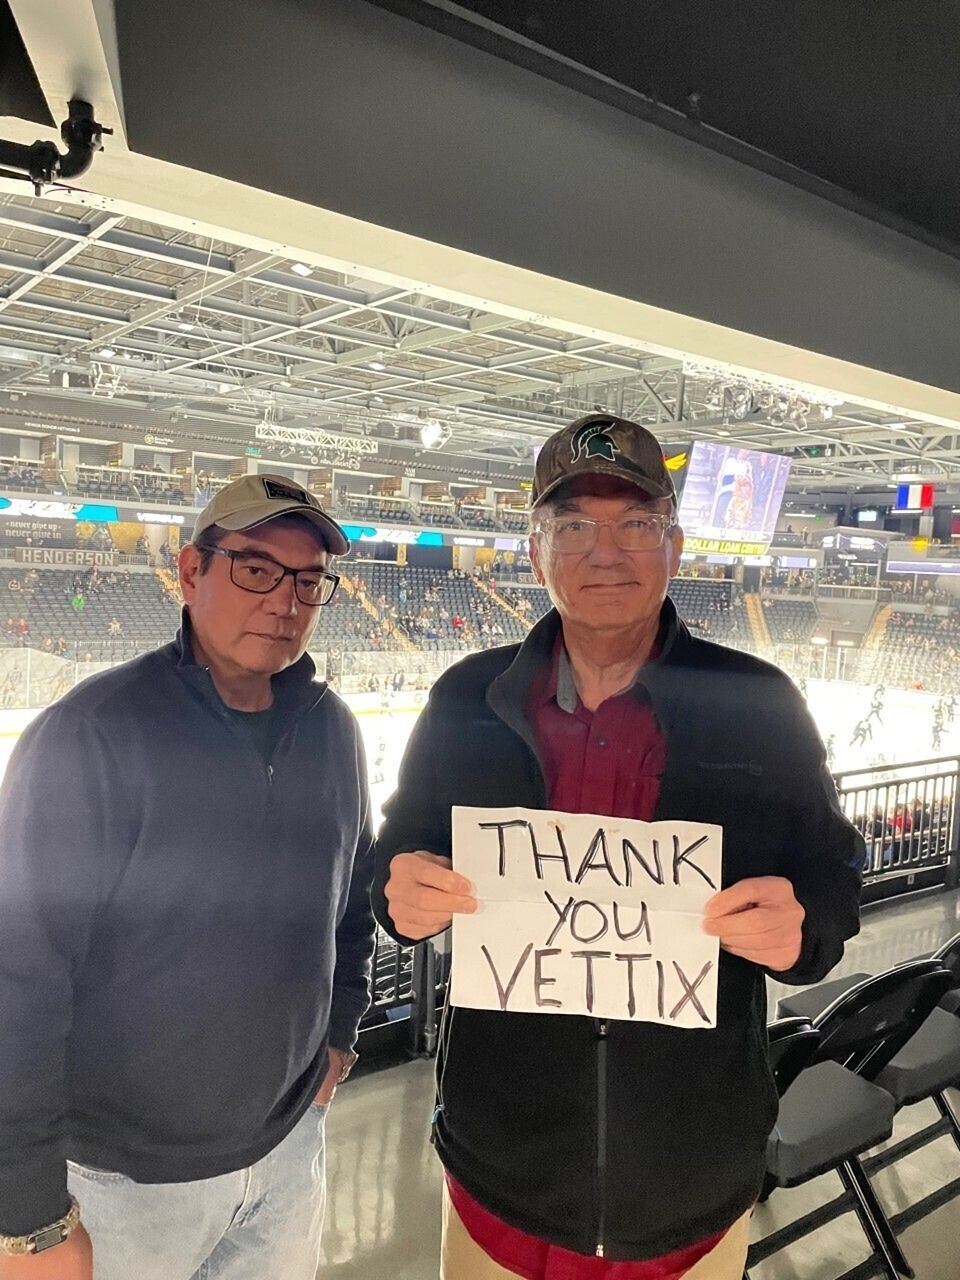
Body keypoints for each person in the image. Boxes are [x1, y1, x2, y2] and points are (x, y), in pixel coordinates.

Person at [374, 413, 863, 1280]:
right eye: (573, 527)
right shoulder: (463, 698)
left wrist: (804, 930)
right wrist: (397, 895)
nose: (607, 552)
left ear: (674, 547)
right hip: (501, 1180)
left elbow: (831, 873)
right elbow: (400, 848)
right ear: (535, 552)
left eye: (636, 524)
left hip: (693, 1186)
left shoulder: (761, 703)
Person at [0, 474, 376, 1280]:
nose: (285, 600)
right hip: (118, 1187)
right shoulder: (90, 736)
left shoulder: (333, 732)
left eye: (310, 581)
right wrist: (26, 1215)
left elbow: (349, 910)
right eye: (255, 569)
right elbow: (17, 979)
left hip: (285, 1155)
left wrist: (340, 1032)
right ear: (190, 571)